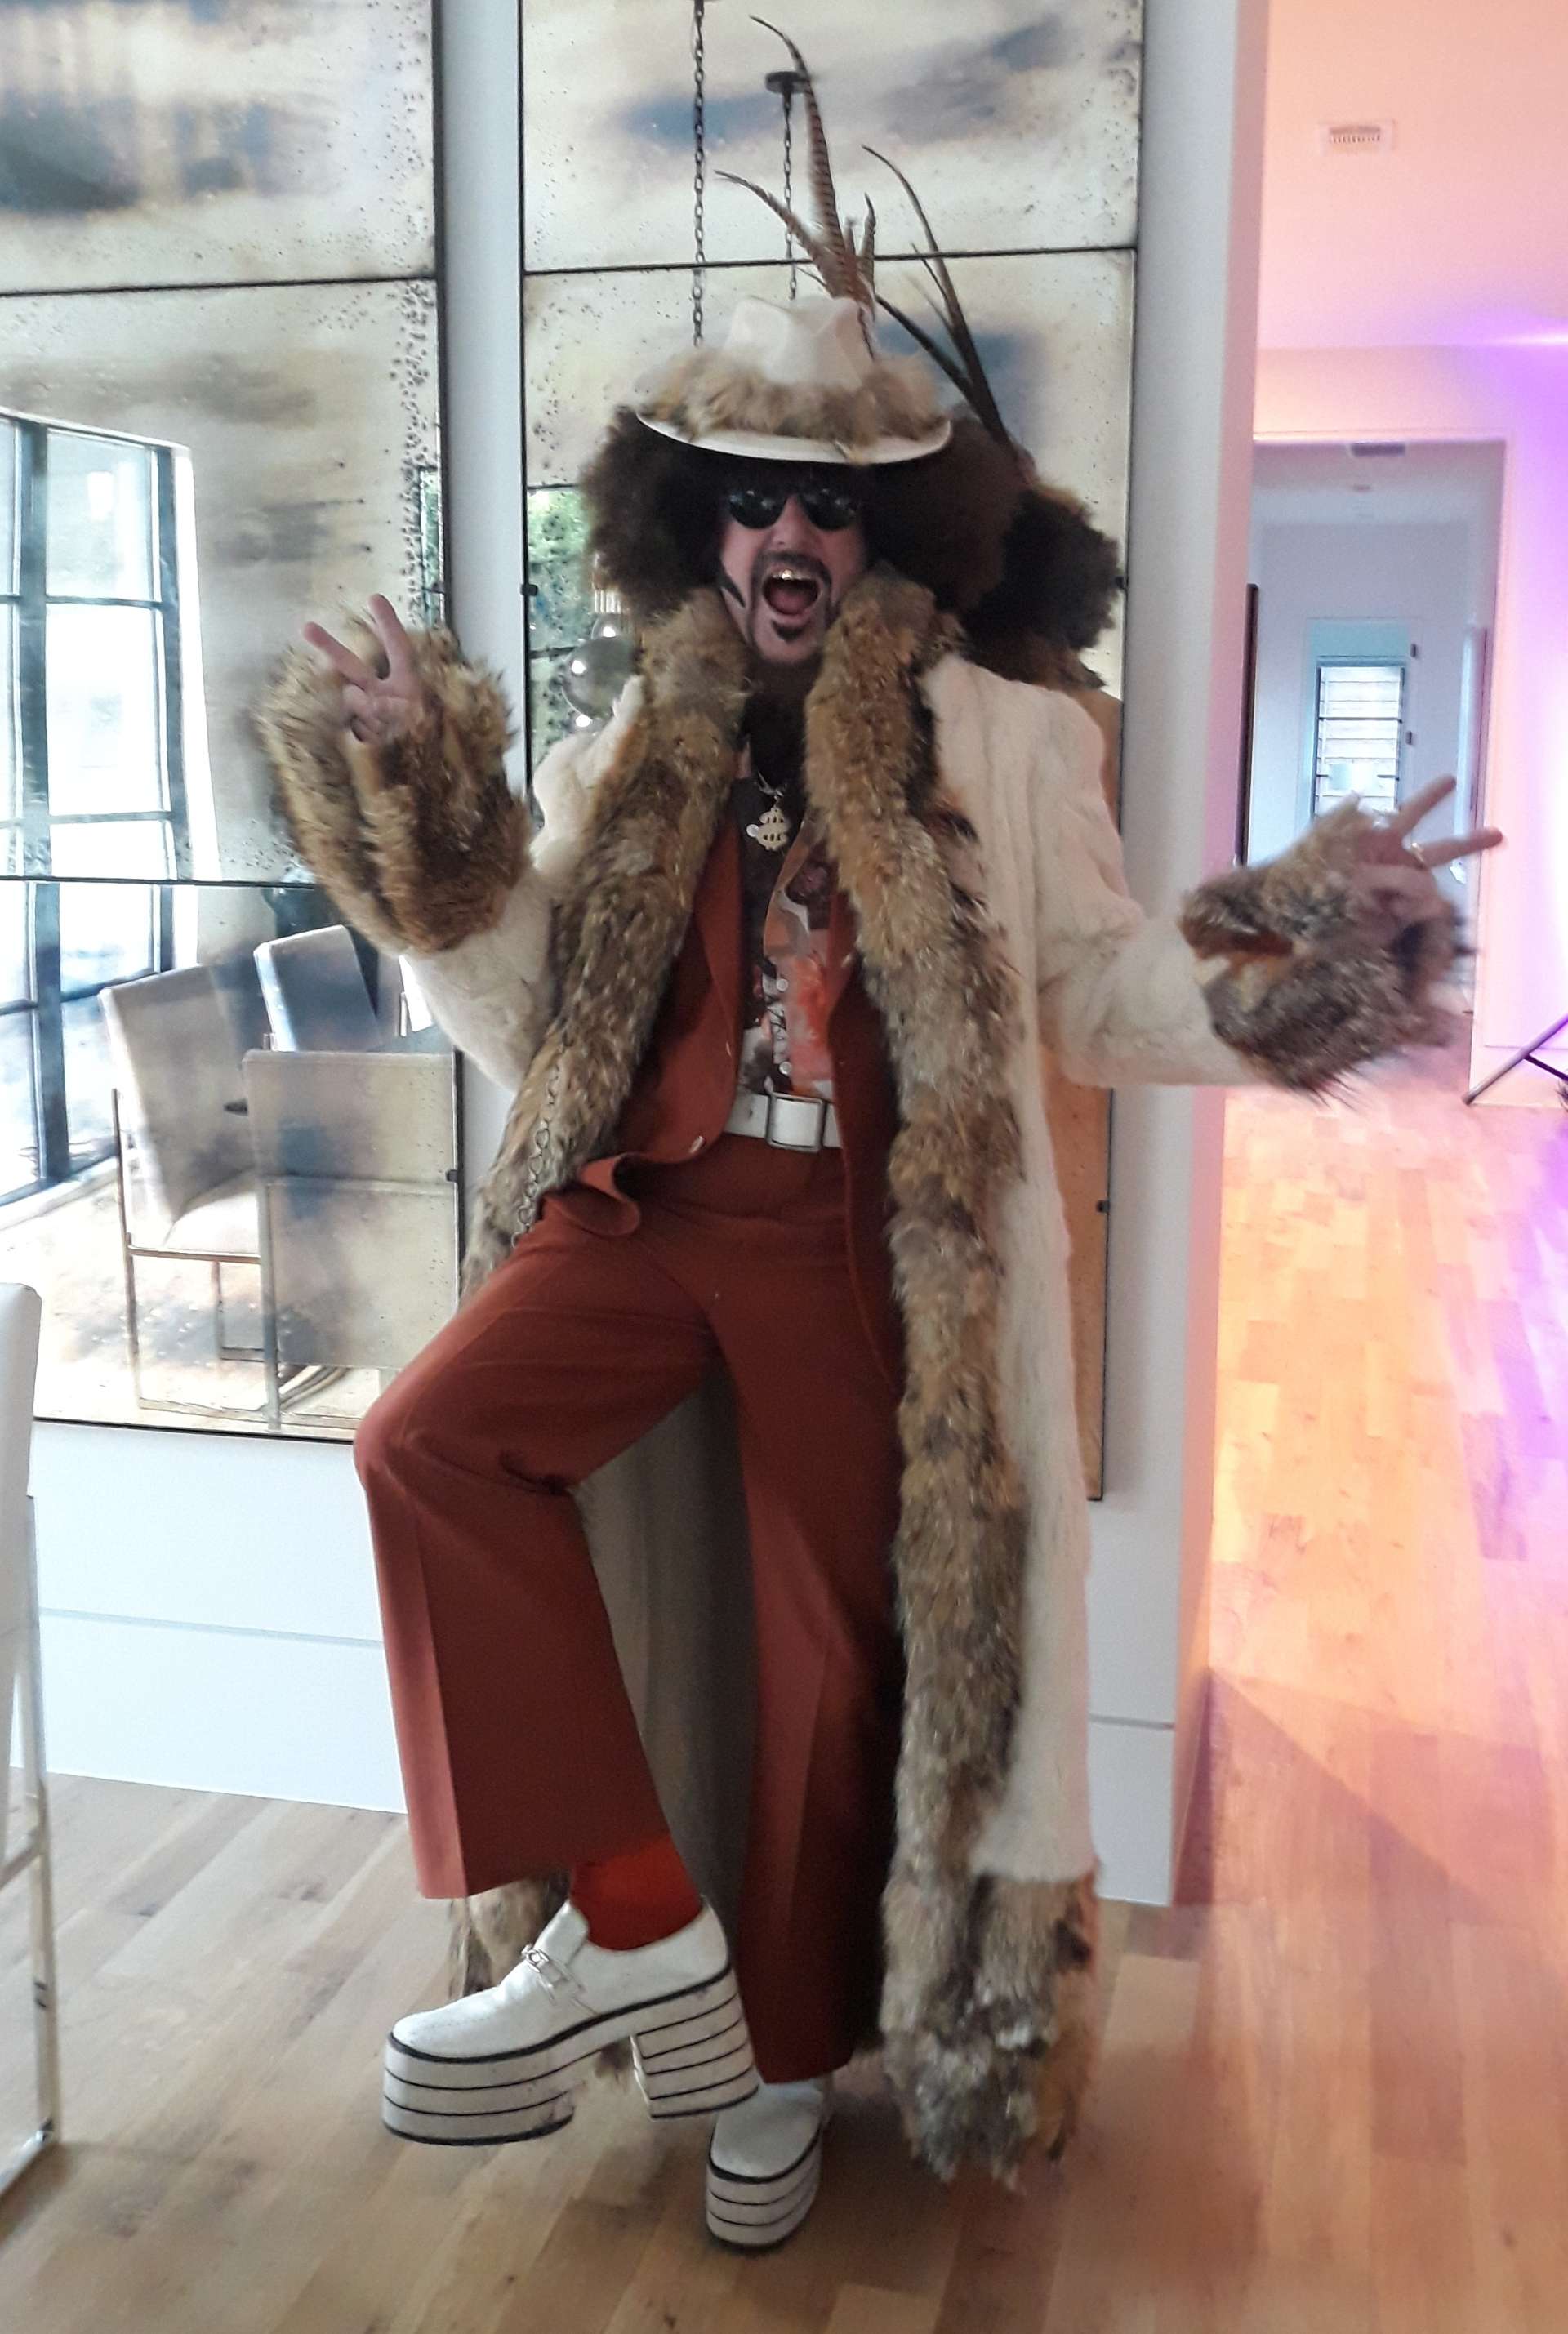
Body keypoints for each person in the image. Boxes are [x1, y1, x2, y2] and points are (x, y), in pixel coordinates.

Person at [258, 269, 1498, 2252]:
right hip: (645, 1207)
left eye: (830, 507)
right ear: (698, 527)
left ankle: (770, 2064)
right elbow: (524, 1009)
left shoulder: (1008, 740)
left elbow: (1097, 987)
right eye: (753, 499)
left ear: (889, 536)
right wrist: (423, 801)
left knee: (834, 1669)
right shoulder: (630, 745)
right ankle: (634, 1919)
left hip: (862, 1245)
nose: (790, 536)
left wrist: (1308, 946)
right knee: (425, 1447)